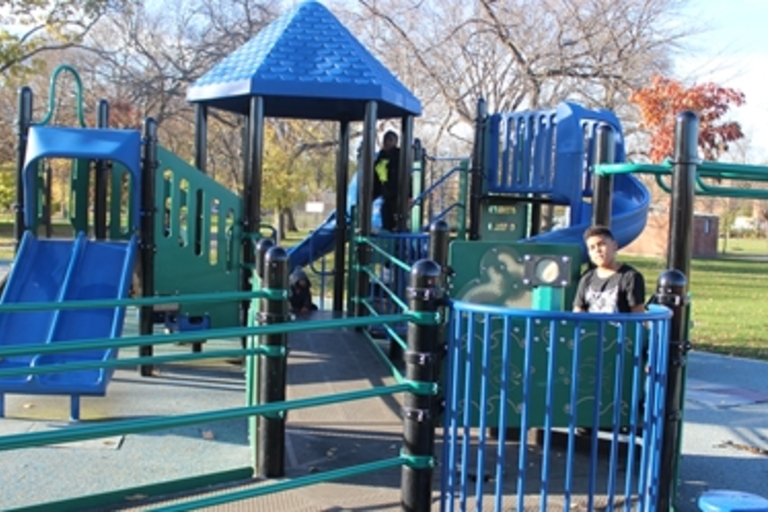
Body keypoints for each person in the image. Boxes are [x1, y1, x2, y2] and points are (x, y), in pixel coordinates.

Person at [573, 225, 645, 314]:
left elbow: (638, 315)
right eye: (592, 247)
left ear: (614, 245)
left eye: (601, 244)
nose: (597, 250)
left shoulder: (630, 277)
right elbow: (578, 312)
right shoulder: (586, 278)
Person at [372, 130, 401, 232]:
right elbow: (377, 175)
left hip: (396, 193)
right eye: (385, 140)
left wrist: (409, 195)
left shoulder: (398, 157)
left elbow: (405, 175)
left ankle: (395, 233)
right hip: (385, 192)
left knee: (396, 218)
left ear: (395, 142)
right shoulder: (381, 157)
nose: (387, 143)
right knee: (386, 215)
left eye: (390, 140)